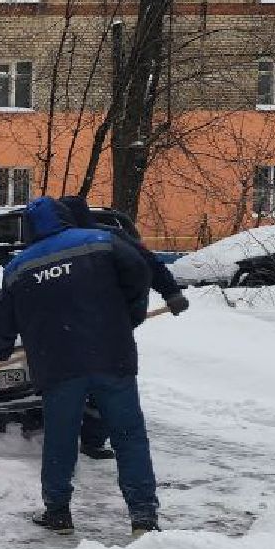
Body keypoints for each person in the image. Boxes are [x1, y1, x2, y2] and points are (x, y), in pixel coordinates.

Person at [0, 196, 162, 535]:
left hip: (58, 365)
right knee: (129, 437)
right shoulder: (103, 242)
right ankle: (143, 516)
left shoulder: (19, 267)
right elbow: (140, 271)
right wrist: (130, 315)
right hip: (113, 356)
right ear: (64, 218)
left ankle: (58, 512)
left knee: (60, 440)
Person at [57, 195, 189, 460]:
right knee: (88, 380)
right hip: (80, 324)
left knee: (100, 380)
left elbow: (149, 263)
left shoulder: (110, 238)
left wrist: (172, 293)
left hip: (108, 322)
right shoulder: (63, 243)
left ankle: (89, 439)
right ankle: (80, 437)